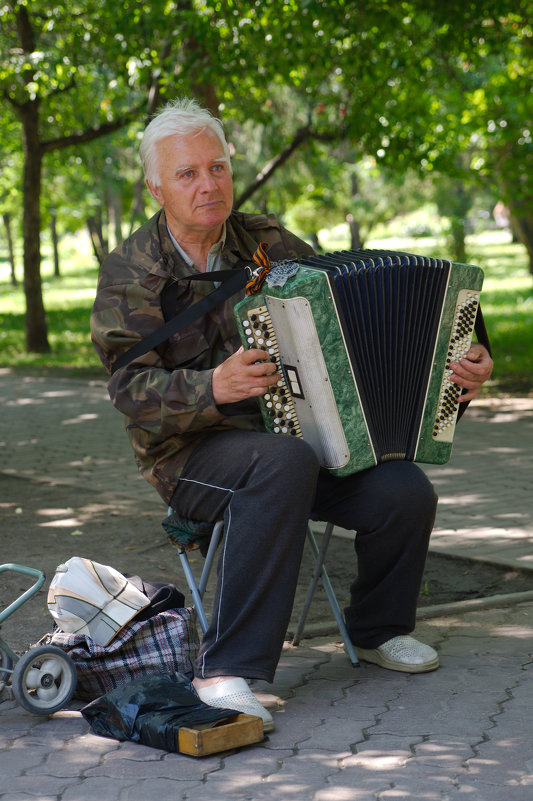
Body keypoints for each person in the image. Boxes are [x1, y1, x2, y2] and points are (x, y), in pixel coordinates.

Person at [90, 98, 494, 733]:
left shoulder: (268, 243)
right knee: (282, 462)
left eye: (216, 167)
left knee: (403, 489)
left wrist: (461, 359)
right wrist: (213, 387)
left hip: (298, 438)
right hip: (189, 457)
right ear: (156, 186)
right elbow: (128, 388)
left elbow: (346, 308)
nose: (207, 184)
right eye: (188, 174)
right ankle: (228, 671)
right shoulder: (131, 272)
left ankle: (377, 630)